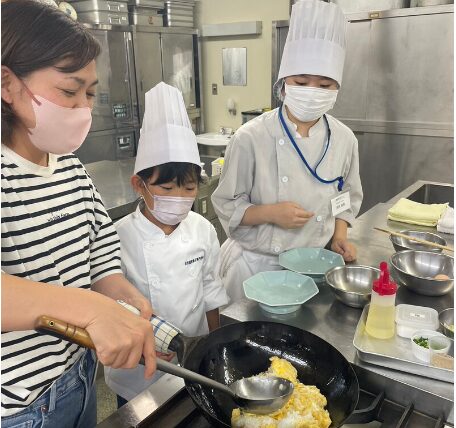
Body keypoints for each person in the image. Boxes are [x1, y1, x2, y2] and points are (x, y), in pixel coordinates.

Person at [1, 1, 157, 427]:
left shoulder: (69, 167)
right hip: (21, 407)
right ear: (7, 83)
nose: (84, 109)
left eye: (90, 93)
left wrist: (118, 295)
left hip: (81, 375)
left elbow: (99, 258)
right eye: (69, 92)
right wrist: (88, 309)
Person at [211, 0, 363, 302]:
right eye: (302, 82)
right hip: (258, 268)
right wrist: (270, 213)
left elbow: (346, 199)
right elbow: (226, 204)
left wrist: (340, 236)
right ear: (284, 84)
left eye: (324, 84)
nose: (312, 91)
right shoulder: (250, 137)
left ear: (337, 89)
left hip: (315, 267)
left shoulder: (345, 139)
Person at [104, 82, 229, 406]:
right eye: (167, 188)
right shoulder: (116, 236)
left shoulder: (202, 229)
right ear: (139, 185)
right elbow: (109, 303)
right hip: (136, 366)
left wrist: (212, 346)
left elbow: (210, 291)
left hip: (193, 359)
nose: (179, 199)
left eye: (188, 189)